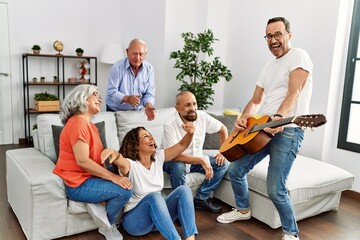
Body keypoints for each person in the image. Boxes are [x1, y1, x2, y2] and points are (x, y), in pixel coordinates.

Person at [216, 17, 313, 240]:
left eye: (278, 34)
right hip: (260, 130)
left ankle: (291, 233)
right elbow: (256, 99)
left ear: (289, 34)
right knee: (235, 170)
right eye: (268, 36)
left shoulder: (299, 56)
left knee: (275, 187)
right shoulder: (268, 67)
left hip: (287, 130)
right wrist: (244, 117)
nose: (273, 40)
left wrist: (279, 117)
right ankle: (243, 210)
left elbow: (294, 93)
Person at [53, 84, 133, 240]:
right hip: (78, 184)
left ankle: (96, 201)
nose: (100, 99)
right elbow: (82, 160)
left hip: (89, 178)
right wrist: (114, 178)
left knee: (126, 174)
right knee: (125, 190)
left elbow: (96, 159)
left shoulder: (90, 126)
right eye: (95, 94)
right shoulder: (78, 123)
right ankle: (107, 226)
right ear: (82, 98)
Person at [101, 124, 198, 240]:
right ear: (136, 145)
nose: (151, 137)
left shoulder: (158, 157)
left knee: (184, 190)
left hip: (158, 220)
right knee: (155, 197)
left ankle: (190, 238)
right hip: (135, 222)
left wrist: (190, 133)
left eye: (150, 135)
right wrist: (114, 153)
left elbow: (182, 145)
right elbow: (120, 160)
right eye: (146, 136)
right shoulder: (130, 164)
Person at [162, 91, 230, 213]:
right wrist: (202, 160)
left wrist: (223, 152)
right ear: (177, 108)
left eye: (194, 104)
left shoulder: (202, 116)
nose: (193, 108)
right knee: (179, 167)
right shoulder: (169, 124)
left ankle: (201, 198)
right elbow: (175, 156)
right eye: (187, 105)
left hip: (195, 160)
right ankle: (179, 207)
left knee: (223, 163)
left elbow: (223, 129)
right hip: (173, 161)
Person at [105, 38, 156, 120]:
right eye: (134, 53)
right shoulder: (117, 67)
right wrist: (127, 98)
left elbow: (149, 93)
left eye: (141, 54)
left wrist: (148, 104)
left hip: (136, 111)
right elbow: (111, 93)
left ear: (145, 54)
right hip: (115, 110)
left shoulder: (149, 68)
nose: (137, 57)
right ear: (127, 52)